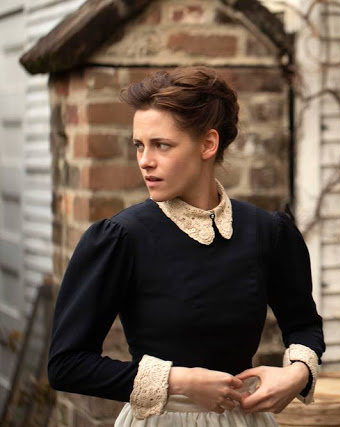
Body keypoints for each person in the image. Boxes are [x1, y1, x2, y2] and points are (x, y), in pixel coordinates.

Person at [48, 66, 325, 426]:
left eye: (161, 145)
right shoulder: (120, 238)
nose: (145, 160)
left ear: (208, 144)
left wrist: (297, 373)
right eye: (139, 145)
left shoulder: (267, 232)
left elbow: (303, 324)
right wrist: (177, 381)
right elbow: (66, 364)